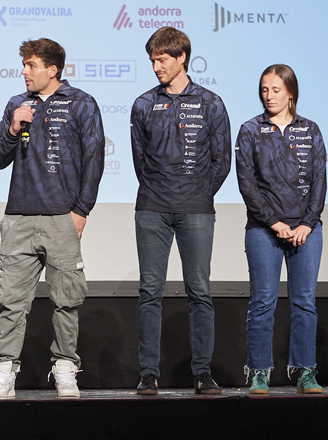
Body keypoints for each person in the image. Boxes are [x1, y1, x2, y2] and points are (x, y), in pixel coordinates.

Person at [0, 38, 104, 399]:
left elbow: (94, 159)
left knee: (67, 299)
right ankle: (5, 370)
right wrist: (12, 128)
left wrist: (81, 210)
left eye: (31, 65)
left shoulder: (81, 103)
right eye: (24, 64)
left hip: (61, 217)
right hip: (19, 216)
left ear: (52, 70)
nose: (24, 71)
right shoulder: (16, 104)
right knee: (11, 300)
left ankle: (65, 368)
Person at [131, 27, 231, 395]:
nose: (156, 66)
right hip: (152, 208)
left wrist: (198, 194)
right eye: (152, 60)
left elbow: (222, 160)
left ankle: (202, 373)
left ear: (181, 57)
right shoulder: (143, 104)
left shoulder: (210, 103)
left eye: (162, 59)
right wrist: (160, 191)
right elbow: (140, 159)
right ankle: (148, 374)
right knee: (149, 291)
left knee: (199, 290)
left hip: (196, 210)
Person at [235, 64, 327, 395]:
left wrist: (307, 223)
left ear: (290, 92)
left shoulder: (310, 130)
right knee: (262, 302)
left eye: (275, 90)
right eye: (264, 90)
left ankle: (304, 371)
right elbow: (247, 183)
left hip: (306, 231)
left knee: (304, 302)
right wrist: (273, 222)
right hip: (263, 230)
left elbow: (319, 180)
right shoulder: (250, 130)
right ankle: (259, 372)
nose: (269, 96)